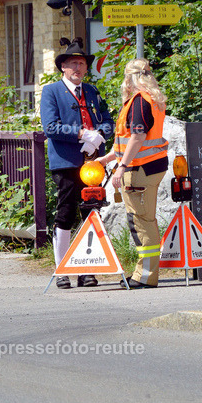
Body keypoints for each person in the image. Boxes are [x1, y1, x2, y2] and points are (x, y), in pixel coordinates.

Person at [40, 37, 114, 289]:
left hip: (93, 162)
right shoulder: (51, 91)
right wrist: (82, 134)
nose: (78, 69)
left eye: (81, 64)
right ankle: (62, 269)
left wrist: (99, 136)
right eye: (73, 64)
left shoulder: (92, 91)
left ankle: (86, 268)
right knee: (66, 212)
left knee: (91, 212)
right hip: (67, 161)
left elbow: (107, 120)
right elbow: (50, 127)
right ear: (63, 67)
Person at [97, 58, 168, 289]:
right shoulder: (151, 99)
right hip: (151, 166)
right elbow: (131, 139)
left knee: (141, 222)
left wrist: (121, 167)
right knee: (145, 220)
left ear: (130, 78)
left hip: (139, 169)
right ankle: (145, 273)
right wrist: (110, 158)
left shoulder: (138, 101)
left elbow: (138, 138)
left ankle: (145, 276)